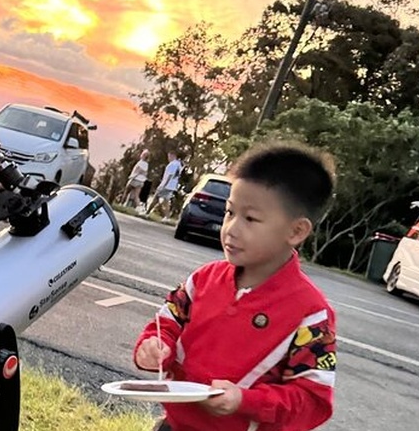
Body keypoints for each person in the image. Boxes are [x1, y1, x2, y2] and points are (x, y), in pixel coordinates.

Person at [133, 141, 337, 431]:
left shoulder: (312, 315)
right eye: (230, 212)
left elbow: (312, 402)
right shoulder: (203, 279)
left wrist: (246, 400)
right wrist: (154, 346)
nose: (231, 228)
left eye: (250, 218)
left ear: (296, 231)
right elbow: (165, 323)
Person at [144, 150, 182, 222]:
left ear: (173, 156)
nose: (168, 158)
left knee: (157, 198)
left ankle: (147, 213)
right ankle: (166, 217)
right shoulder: (179, 165)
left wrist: (163, 185)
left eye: (169, 156)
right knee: (165, 201)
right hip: (172, 186)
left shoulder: (172, 164)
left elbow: (170, 175)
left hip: (166, 185)